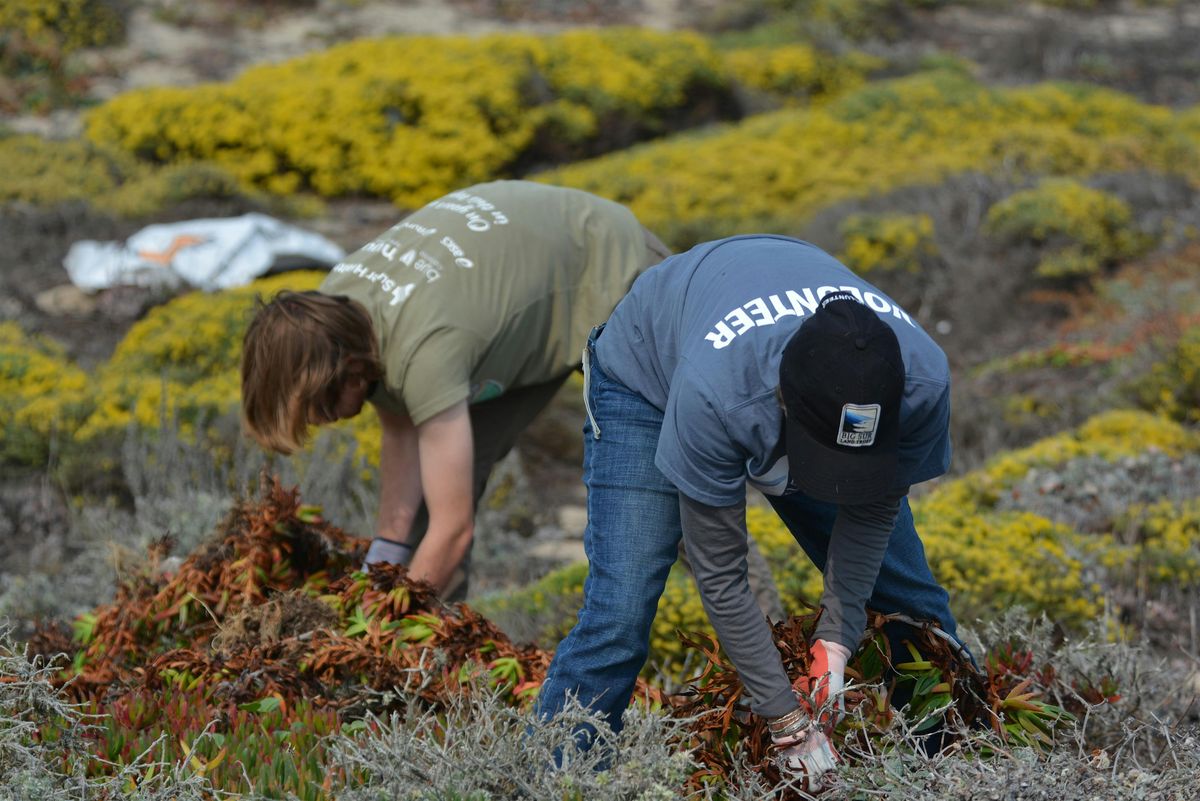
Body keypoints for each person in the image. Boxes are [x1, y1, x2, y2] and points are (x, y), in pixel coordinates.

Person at [535, 234, 967, 788]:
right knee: (621, 611)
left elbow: (873, 507)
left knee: (911, 604)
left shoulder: (922, 382)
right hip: (648, 379)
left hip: (777, 370)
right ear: (784, 405)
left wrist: (835, 639)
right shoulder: (720, 397)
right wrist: (784, 715)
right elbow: (721, 573)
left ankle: (957, 775)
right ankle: (549, 783)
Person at [240, 180, 784, 614]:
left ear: (347, 371)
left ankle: (770, 642)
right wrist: (386, 556)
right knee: (432, 504)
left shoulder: (426, 349)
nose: (323, 422)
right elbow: (402, 427)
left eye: (317, 409)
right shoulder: (340, 313)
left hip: (608, 266)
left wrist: (380, 625)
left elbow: (456, 531)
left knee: (675, 480)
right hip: (517, 300)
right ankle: (430, 679)